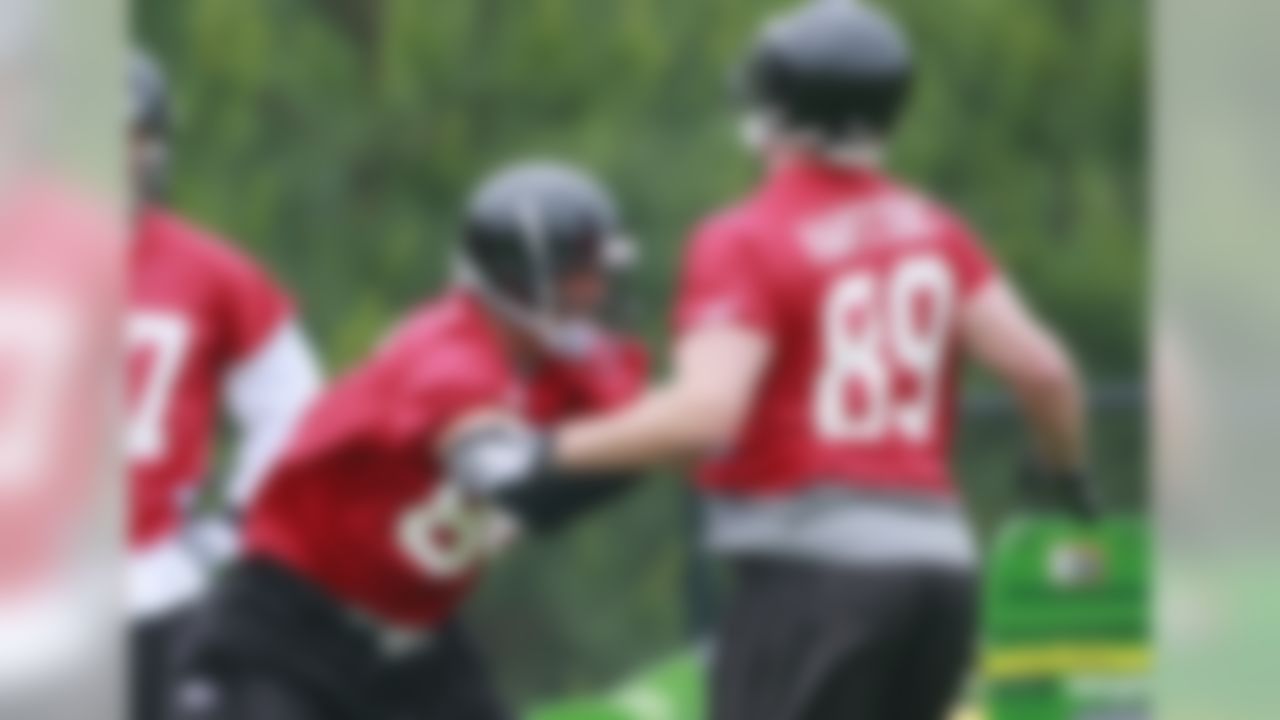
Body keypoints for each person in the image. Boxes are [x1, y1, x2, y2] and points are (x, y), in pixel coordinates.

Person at [449, 3, 1098, 720]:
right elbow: (1044, 372)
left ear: (775, 102)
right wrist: (1064, 473)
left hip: (815, 580)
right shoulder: (936, 230)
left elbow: (706, 415)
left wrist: (544, 454)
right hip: (941, 575)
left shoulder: (746, 237)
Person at [164, 161, 648, 720]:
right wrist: (687, 422)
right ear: (522, 277)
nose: (599, 289)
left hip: (415, 643)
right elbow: (511, 476)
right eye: (582, 271)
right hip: (290, 631)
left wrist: (701, 419)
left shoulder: (565, 365)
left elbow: (635, 440)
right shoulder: (446, 351)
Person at [127, 50, 324, 720]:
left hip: (151, 582)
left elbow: (294, 407)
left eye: (129, 135)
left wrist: (234, 527)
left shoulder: (209, 272)